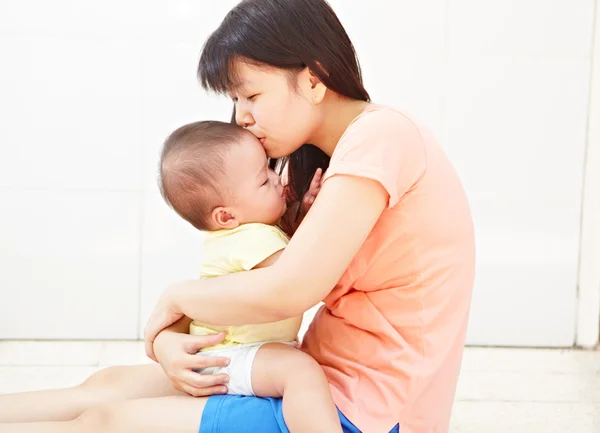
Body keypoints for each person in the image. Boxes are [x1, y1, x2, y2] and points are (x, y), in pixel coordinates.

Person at [0, 0, 475, 432]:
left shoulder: (381, 137)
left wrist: (178, 300)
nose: (242, 116)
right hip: (310, 378)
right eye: (235, 101)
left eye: (252, 96)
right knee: (107, 385)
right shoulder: (321, 162)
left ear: (313, 78)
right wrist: (171, 342)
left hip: (359, 409)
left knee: (108, 420)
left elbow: (288, 290)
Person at [0, 120, 342, 433]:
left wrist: (296, 216)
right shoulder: (255, 238)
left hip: (226, 350)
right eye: (264, 180)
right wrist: (315, 219)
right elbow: (296, 276)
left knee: (106, 386)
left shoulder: (240, 234)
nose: (278, 180)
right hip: (235, 353)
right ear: (226, 215)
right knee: (300, 372)